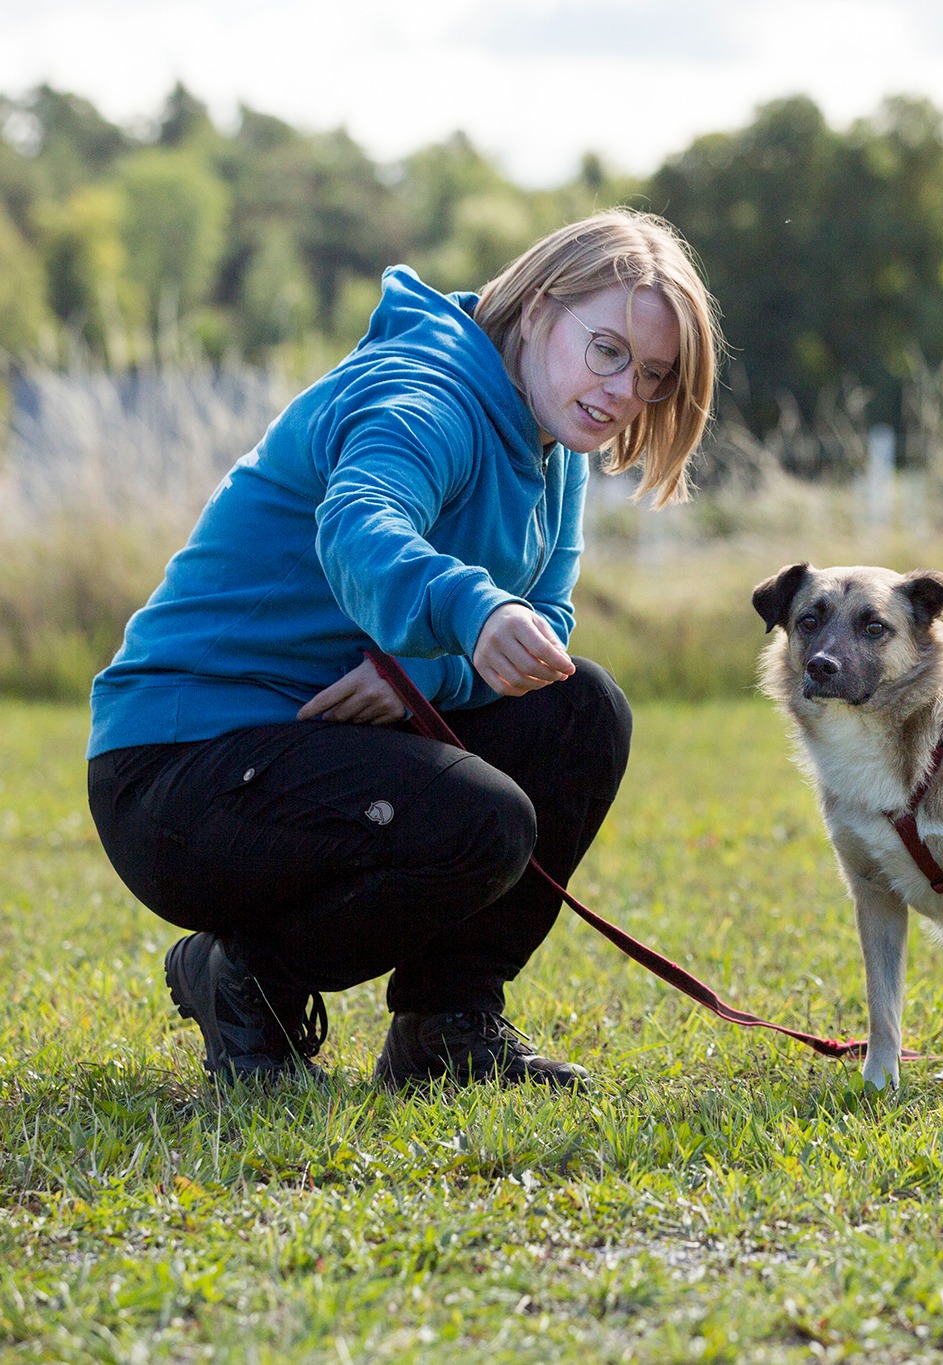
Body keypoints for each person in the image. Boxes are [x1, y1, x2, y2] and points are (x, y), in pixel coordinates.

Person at [85, 209, 719, 1088]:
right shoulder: (423, 392)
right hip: (178, 765)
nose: (622, 393)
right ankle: (242, 983)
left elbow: (546, 622)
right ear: (539, 309)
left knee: (581, 711)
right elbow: (359, 524)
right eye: (607, 350)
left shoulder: (554, 442)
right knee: (484, 822)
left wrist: (423, 671)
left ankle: (446, 1028)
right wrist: (469, 611)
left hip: (309, 744)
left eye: (650, 375)